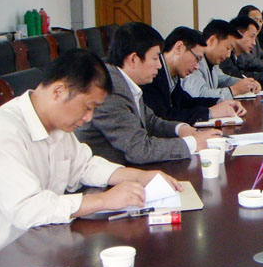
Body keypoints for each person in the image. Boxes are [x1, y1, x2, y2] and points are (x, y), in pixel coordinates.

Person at [0, 49, 182, 261]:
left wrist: (140, 176)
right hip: (2, 259)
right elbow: (28, 208)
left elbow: (85, 166)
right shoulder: (3, 131)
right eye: (87, 107)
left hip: (43, 244)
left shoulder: (57, 125)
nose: (89, 118)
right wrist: (103, 200)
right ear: (58, 91)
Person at [75, 22, 221, 164]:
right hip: (108, 175)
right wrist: (193, 143)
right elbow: (139, 150)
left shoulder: (126, 82)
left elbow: (150, 121)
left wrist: (181, 129)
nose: (159, 65)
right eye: (155, 58)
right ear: (133, 59)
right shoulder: (111, 90)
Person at [142, 26, 246, 125]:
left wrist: (220, 102)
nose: (197, 67)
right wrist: (210, 112)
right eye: (196, 59)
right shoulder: (153, 75)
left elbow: (186, 102)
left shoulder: (172, 74)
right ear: (179, 48)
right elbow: (164, 117)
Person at [181, 19, 261, 99]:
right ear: (212, 41)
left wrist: (247, 84)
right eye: (228, 48)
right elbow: (199, 95)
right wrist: (233, 90)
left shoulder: (212, 60)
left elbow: (223, 80)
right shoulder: (194, 61)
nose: (228, 55)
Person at [220, 16, 263, 84]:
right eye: (251, 36)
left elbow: (254, 66)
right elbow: (237, 75)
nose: (254, 43)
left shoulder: (242, 54)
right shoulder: (224, 54)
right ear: (239, 34)